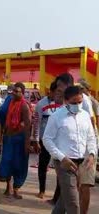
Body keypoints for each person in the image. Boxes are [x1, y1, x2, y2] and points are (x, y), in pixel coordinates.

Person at [43, 86, 97, 214]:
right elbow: (47, 139)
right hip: (64, 163)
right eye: (74, 102)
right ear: (66, 101)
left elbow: (91, 137)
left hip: (83, 162)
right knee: (73, 203)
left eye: (80, 102)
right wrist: (62, 158)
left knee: (65, 198)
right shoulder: (56, 117)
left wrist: (91, 153)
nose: (78, 105)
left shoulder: (85, 116)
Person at [0, 82, 31, 199]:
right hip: (8, 139)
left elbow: (27, 126)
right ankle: (8, 186)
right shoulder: (9, 103)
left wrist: (27, 143)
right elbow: (1, 117)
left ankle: (16, 189)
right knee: (7, 163)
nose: (14, 93)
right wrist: (1, 138)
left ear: (22, 93)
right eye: (13, 91)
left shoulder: (24, 106)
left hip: (19, 140)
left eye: (17, 91)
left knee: (19, 165)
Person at [32, 82, 61, 200]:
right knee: (43, 166)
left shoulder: (63, 103)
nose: (59, 95)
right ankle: (42, 190)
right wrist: (36, 140)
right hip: (45, 140)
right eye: (57, 92)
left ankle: (57, 195)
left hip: (59, 141)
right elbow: (36, 122)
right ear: (51, 91)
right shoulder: (41, 104)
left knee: (60, 168)